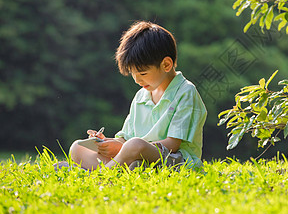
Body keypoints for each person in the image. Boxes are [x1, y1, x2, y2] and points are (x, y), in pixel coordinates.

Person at [67, 21, 207, 170]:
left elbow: (172, 144)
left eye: (142, 73)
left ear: (166, 64)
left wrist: (127, 149)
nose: (137, 80)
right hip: (136, 156)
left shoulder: (186, 92)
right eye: (133, 73)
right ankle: (120, 169)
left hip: (176, 160)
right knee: (77, 148)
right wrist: (106, 143)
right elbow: (125, 138)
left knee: (135, 146)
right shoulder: (141, 96)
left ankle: (101, 175)